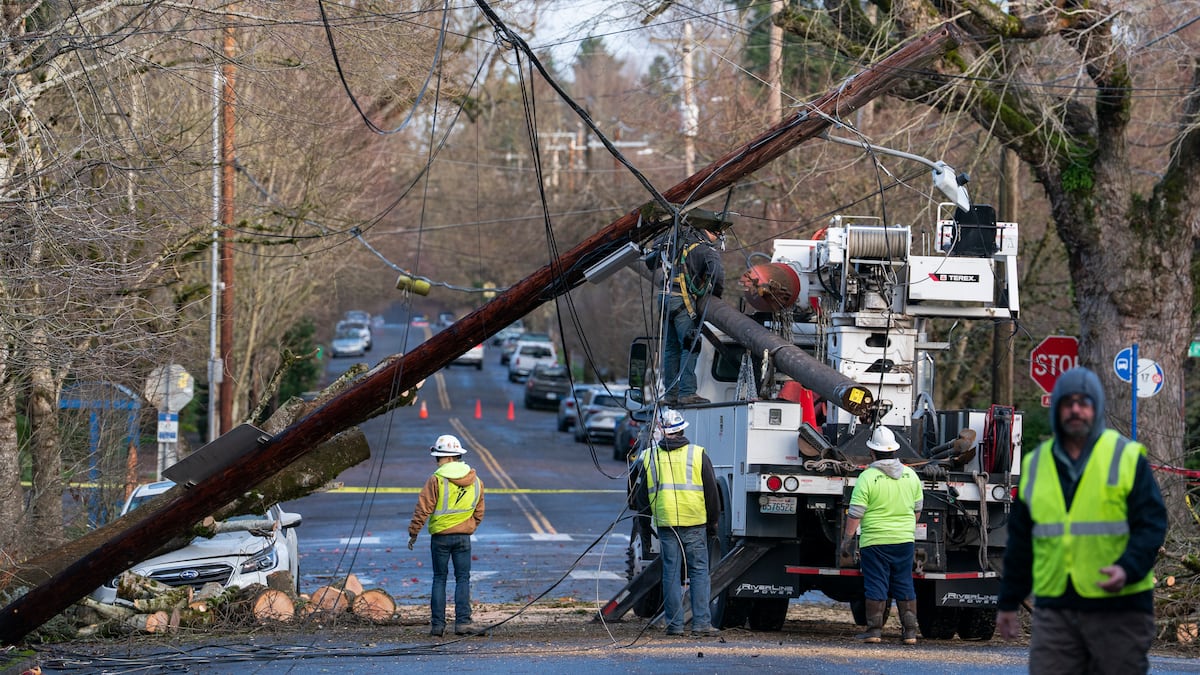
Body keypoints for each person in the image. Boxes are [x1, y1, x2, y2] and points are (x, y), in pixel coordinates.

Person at [996, 367, 1166, 674]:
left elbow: (1152, 525)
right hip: (1055, 610)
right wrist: (1009, 602)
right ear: (1058, 408)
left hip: (1119, 608)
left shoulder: (1126, 457)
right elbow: (1021, 543)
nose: (1076, 409)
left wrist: (1127, 568)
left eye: (1084, 402)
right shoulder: (1036, 464)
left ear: (1096, 407)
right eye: (1068, 402)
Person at [631, 408, 721, 637]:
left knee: (671, 573)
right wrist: (713, 523)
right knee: (699, 572)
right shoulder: (697, 454)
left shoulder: (649, 456)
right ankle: (701, 624)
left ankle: (675, 625)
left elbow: (639, 497)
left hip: (666, 521)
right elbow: (711, 493)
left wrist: (645, 525)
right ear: (682, 429)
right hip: (694, 520)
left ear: (661, 431)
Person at [840, 426, 923, 644]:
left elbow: (856, 513)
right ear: (895, 450)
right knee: (904, 582)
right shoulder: (911, 475)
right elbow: (917, 508)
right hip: (904, 540)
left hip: (875, 542)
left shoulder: (867, 477)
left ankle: (874, 631)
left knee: (876, 583)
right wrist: (904, 528)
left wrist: (847, 540)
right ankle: (910, 633)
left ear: (872, 452)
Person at [407, 434, 486, 637]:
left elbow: (423, 508)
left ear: (448, 458)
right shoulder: (476, 480)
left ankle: (437, 626)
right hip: (463, 538)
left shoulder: (436, 480)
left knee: (439, 579)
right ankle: (463, 623)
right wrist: (468, 526)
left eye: (439, 457)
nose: (437, 461)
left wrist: (414, 532)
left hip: (440, 538)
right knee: (463, 579)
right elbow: (479, 512)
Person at [646, 216, 725, 406]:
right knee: (690, 346)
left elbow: (650, 262)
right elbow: (717, 274)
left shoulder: (672, 243)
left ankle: (670, 395)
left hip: (663, 299)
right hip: (681, 302)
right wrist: (715, 295)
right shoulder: (705, 250)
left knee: (671, 349)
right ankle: (687, 392)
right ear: (711, 231)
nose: (720, 238)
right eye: (719, 234)